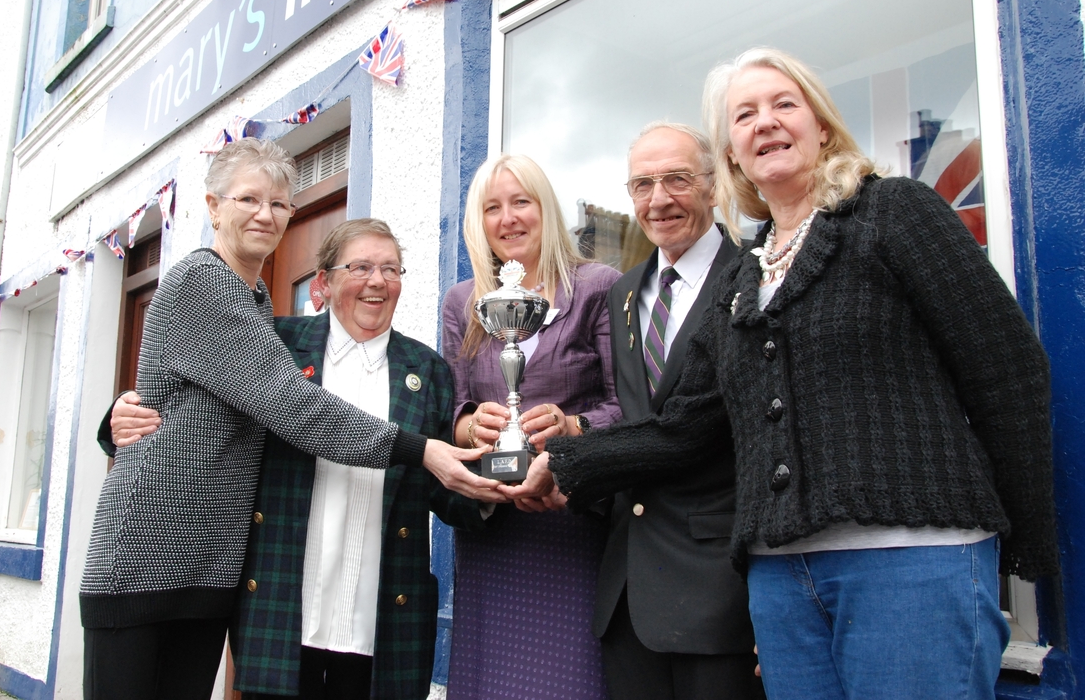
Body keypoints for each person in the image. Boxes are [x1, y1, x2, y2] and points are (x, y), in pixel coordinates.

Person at [524, 48, 1059, 700]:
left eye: (783, 104)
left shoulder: (894, 211)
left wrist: (1025, 544)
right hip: (781, 582)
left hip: (912, 561)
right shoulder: (743, 275)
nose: (764, 122)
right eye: (743, 115)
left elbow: (1008, 370)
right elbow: (686, 429)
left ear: (822, 125)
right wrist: (568, 457)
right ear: (733, 158)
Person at [81, 139, 494, 700]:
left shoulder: (254, 303)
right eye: (248, 199)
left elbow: (194, 395)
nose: (264, 214)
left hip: (211, 567)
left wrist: (496, 481)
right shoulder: (205, 283)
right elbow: (289, 405)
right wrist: (419, 448)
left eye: (278, 204)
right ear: (212, 206)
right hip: (147, 555)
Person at [442, 153, 623, 700]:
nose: (508, 218)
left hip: (572, 522)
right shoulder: (463, 301)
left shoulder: (597, 286)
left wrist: (572, 428)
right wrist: (473, 427)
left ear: (545, 208)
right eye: (493, 207)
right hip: (494, 527)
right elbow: (453, 410)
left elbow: (627, 406)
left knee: (569, 680)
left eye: (521, 201)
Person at [597, 122, 761, 700]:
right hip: (626, 596)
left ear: (714, 186)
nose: (658, 199)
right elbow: (632, 418)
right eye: (642, 184)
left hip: (720, 595)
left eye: (676, 180)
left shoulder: (755, 275)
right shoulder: (621, 295)